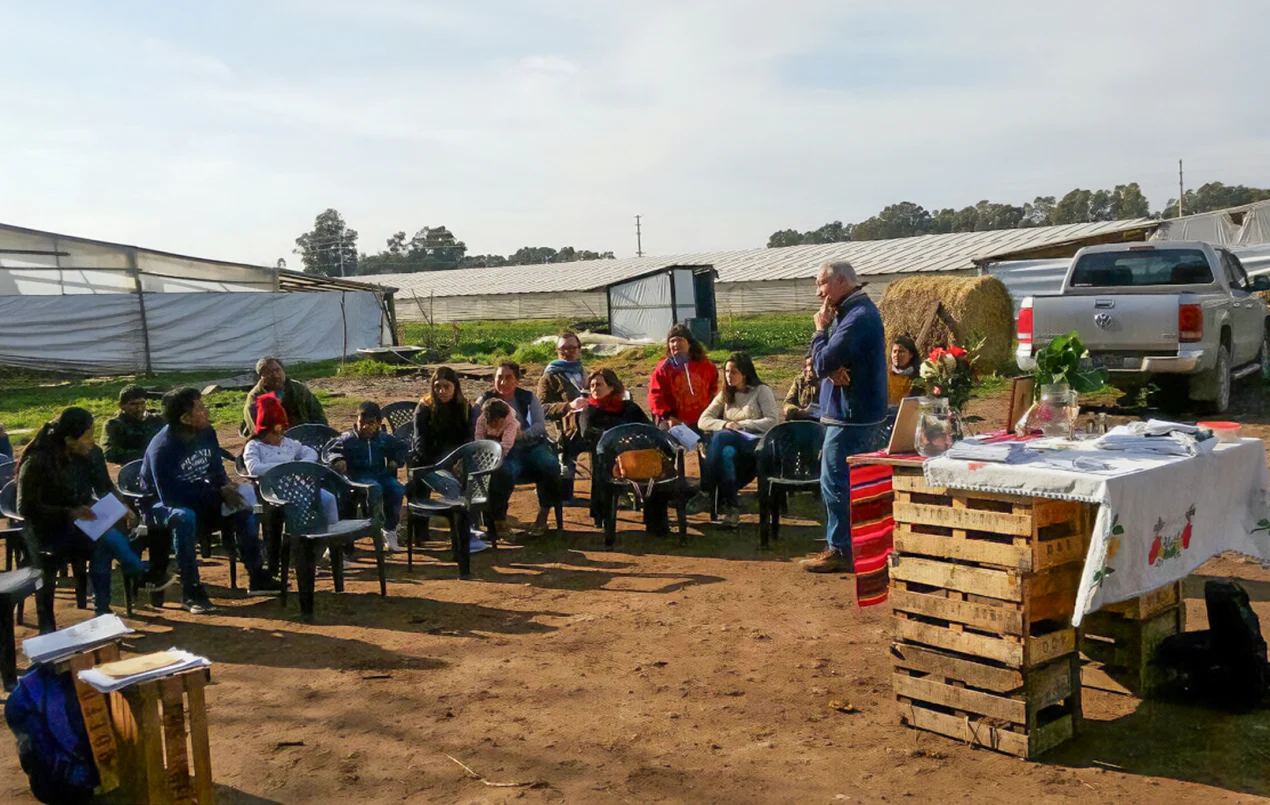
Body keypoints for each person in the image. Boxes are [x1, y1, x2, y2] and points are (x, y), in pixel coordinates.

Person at [141, 387, 280, 613]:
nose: (207, 411)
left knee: (242, 510)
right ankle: (191, 591)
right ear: (185, 418)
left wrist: (225, 486)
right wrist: (216, 494)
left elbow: (216, 470)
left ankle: (257, 577)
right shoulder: (163, 448)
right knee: (185, 518)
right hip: (160, 506)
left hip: (199, 497)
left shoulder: (206, 433)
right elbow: (170, 497)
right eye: (200, 408)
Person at [16, 407, 149, 621]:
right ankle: (139, 571)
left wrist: (123, 506)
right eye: (87, 437)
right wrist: (69, 513)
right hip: (48, 531)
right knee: (105, 536)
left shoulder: (91, 454)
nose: (92, 442)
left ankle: (103, 609)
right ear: (69, 440)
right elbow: (26, 509)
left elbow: (105, 486)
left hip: (83, 525)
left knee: (103, 542)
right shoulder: (38, 461)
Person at [803, 261, 888, 574]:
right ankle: (851, 545)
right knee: (847, 483)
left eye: (821, 284)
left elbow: (823, 359)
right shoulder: (854, 313)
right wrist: (824, 369)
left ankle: (840, 549)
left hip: (851, 417)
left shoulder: (857, 317)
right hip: (851, 414)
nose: (818, 293)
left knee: (836, 483)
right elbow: (821, 365)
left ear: (840, 281)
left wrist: (819, 332)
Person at [472, 361, 562, 537]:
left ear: (517, 380)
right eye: (499, 377)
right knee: (502, 472)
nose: (503, 382)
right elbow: (476, 426)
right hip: (502, 449)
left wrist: (522, 434)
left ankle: (543, 516)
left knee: (550, 465)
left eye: (508, 377)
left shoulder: (528, 397)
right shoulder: (484, 400)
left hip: (530, 445)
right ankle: (499, 521)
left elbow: (539, 426)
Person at [689, 354, 779, 527]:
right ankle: (732, 508)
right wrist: (725, 424)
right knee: (726, 454)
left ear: (744, 373)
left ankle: (706, 490)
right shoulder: (725, 394)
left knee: (722, 437)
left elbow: (772, 420)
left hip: (755, 441)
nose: (729, 376)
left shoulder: (761, 391)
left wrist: (742, 425)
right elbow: (703, 420)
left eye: (734, 372)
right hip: (731, 441)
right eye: (727, 372)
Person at [243, 393, 341, 529]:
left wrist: (300, 466)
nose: (279, 437)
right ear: (264, 432)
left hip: (300, 487)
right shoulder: (255, 446)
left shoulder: (289, 443)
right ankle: (299, 539)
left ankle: (331, 536)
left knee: (329, 499)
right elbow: (253, 467)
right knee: (296, 511)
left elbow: (311, 453)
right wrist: (285, 467)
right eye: (274, 433)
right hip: (273, 492)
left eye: (281, 432)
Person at [329, 402, 407, 552]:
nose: (365, 427)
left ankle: (389, 529)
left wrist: (395, 460)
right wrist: (338, 460)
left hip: (379, 474)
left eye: (371, 423)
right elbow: (331, 450)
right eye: (362, 423)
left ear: (378, 423)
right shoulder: (347, 439)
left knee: (396, 488)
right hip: (357, 477)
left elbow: (402, 447)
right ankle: (373, 524)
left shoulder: (383, 439)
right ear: (356, 421)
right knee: (374, 489)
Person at [537, 330, 587, 501]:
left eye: (572, 347)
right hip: (568, 429)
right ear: (557, 351)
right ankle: (565, 494)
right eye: (563, 349)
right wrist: (568, 406)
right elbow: (541, 408)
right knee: (568, 453)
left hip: (591, 424)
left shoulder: (585, 372)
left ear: (579, 349)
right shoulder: (550, 376)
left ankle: (606, 492)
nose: (567, 352)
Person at [648, 324, 719, 431]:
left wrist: (710, 411)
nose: (675, 344)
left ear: (689, 343)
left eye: (680, 340)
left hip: (702, 417)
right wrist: (667, 416)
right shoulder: (663, 368)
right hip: (673, 419)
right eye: (672, 341)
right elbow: (655, 395)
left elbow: (713, 388)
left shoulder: (706, 366)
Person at [240, 357, 327, 438]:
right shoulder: (255, 397)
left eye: (277, 370)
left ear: (283, 371)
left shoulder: (298, 389)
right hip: (272, 439)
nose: (275, 375)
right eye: (268, 373)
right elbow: (256, 428)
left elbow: (317, 413)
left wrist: (321, 433)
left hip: (302, 433)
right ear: (261, 377)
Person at [411, 367, 472, 468]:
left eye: (446, 386)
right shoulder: (425, 407)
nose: (441, 391)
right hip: (430, 461)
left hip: (457, 458)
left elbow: (468, 437)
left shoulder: (464, 406)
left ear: (455, 387)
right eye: (437, 386)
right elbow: (420, 442)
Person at [102, 384, 166, 465]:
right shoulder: (114, 425)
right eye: (133, 404)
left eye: (142, 403)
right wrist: (149, 453)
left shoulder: (157, 420)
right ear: (121, 406)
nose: (139, 408)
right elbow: (109, 454)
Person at [783, 355, 821, 420]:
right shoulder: (799, 381)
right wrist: (794, 411)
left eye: (814, 365)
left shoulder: (829, 382)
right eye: (807, 365)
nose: (810, 369)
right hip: (801, 420)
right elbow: (787, 402)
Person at [888, 333, 921, 404]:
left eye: (901, 352)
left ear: (911, 355)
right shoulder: (884, 376)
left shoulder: (918, 378)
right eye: (894, 351)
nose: (896, 355)